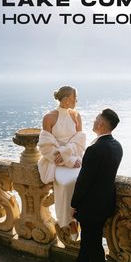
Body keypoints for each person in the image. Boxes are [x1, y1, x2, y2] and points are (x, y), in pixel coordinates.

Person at [53, 108, 123, 262]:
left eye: (96, 119)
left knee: (94, 246)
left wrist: (74, 205)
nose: (93, 121)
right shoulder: (117, 146)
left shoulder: (94, 149)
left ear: (100, 124)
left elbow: (84, 181)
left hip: (91, 207)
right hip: (105, 203)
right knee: (88, 243)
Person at [38, 86, 86, 239]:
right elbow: (46, 146)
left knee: (82, 180)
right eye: (74, 98)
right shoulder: (49, 118)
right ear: (66, 99)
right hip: (55, 161)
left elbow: (80, 142)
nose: (76, 101)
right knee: (65, 183)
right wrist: (65, 159)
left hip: (74, 158)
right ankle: (69, 221)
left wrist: (69, 156)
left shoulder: (76, 116)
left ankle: (79, 216)